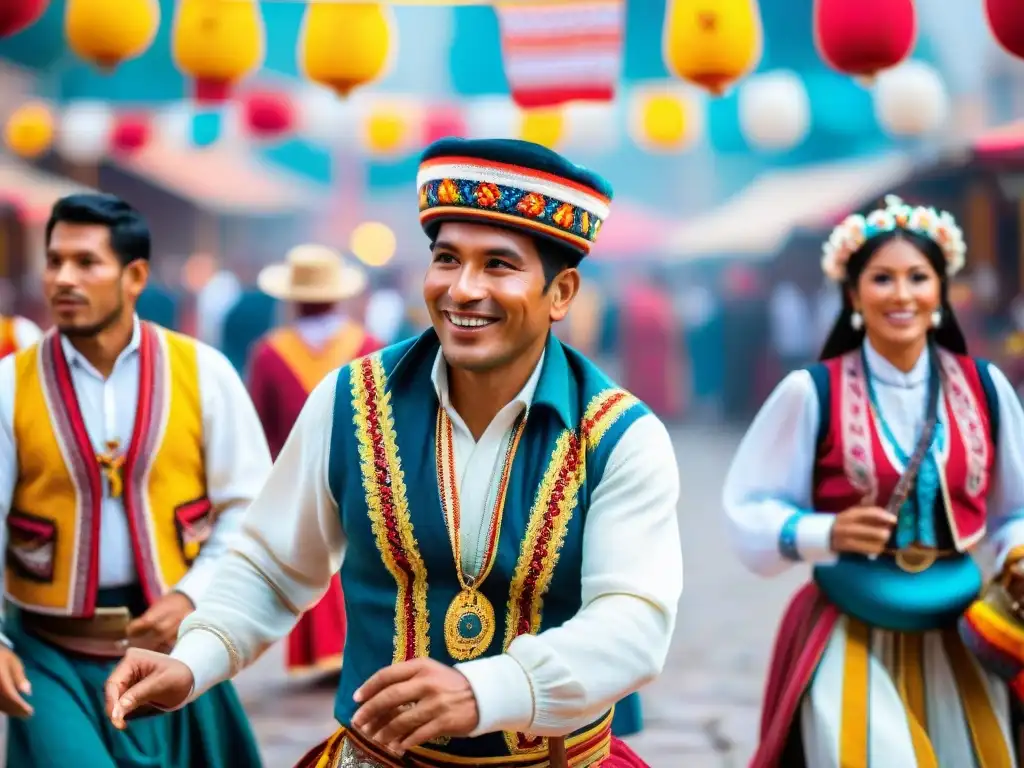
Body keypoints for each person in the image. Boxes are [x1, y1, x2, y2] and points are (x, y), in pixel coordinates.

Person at [104, 137, 683, 768]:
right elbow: (271, 564)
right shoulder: (348, 401)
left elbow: (633, 623)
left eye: (498, 265)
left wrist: (483, 690)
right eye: (446, 259)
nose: (463, 289)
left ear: (562, 293)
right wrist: (192, 659)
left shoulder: (622, 437)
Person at [724, 195, 1024, 767]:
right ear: (853, 294)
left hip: (961, 626)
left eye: (918, 276)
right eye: (882, 278)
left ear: (940, 291)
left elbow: (1015, 509)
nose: (901, 294)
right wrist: (825, 532)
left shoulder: (986, 388)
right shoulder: (809, 392)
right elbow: (749, 505)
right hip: (849, 615)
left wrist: (1016, 553)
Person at [0, 193, 269, 766]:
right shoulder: (7, 384)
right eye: (54, 261)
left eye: (86, 262)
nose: (63, 279)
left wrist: (191, 595)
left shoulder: (205, 372)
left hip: (176, 649)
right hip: (50, 653)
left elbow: (251, 510)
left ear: (135, 275)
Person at [248, 243, 380, 678]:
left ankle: (322, 648)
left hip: (297, 472)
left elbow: (261, 422)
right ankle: (360, 645)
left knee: (311, 551)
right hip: (361, 470)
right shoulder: (368, 345)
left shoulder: (270, 352)